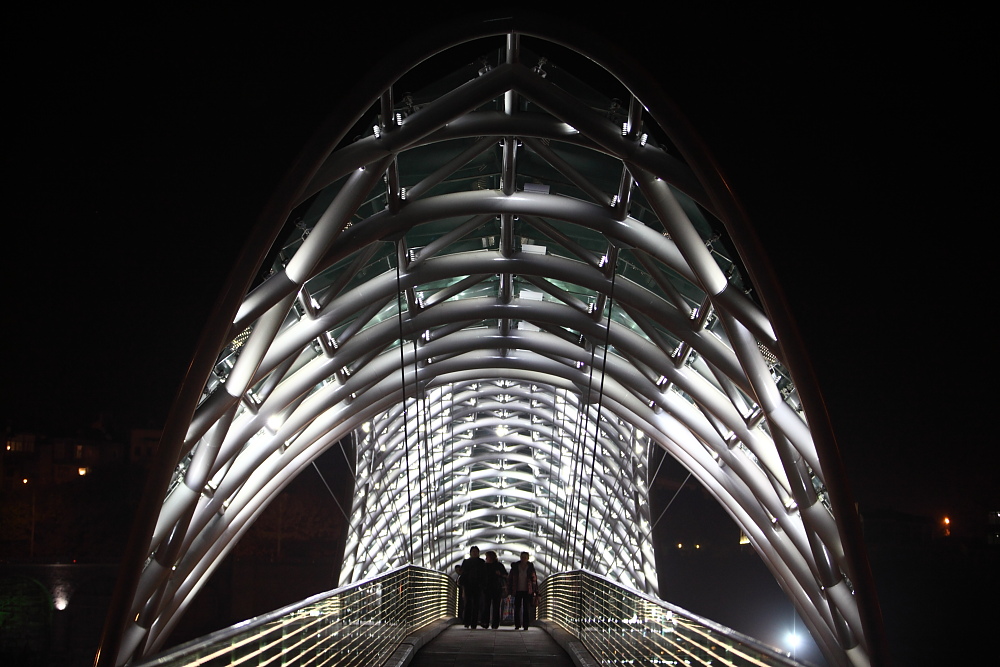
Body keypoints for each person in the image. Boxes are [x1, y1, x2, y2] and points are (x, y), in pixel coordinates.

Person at [508, 551, 538, 630]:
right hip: (517, 589)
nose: (524, 559)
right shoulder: (515, 567)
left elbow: (534, 579)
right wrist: (510, 589)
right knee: (517, 607)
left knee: (526, 608)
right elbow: (510, 578)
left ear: (528, 558)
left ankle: (525, 625)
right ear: (520, 557)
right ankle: (517, 624)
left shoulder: (530, 567)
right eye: (522, 557)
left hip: (527, 590)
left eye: (525, 557)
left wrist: (535, 590)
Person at [460, 546, 486, 628]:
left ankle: (473, 622)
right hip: (468, 585)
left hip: (477, 585)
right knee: (468, 603)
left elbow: (484, 575)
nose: (474, 553)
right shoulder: (466, 562)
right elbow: (463, 573)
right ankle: (467, 621)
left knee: (476, 604)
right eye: (473, 551)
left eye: (476, 552)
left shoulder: (481, 562)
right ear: (470, 553)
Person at [482, 551, 507, 629]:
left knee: (494, 606)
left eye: (487, 557)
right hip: (488, 588)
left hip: (496, 587)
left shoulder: (497, 565)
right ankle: (489, 622)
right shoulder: (485, 566)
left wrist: (500, 574)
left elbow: (505, 575)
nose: (486, 559)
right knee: (488, 606)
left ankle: (493, 623)